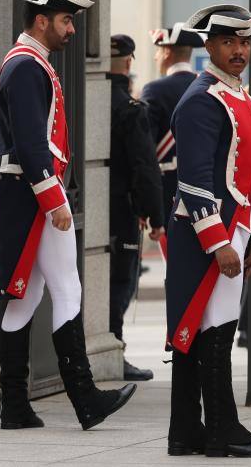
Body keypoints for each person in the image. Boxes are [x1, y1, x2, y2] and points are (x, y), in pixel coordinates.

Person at [0, 0, 136, 431]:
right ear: (41, 20)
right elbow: (33, 145)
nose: (71, 30)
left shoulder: (29, 63)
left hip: (23, 197)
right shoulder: (28, 67)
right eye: (66, 20)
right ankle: (86, 398)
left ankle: (14, 405)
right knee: (65, 289)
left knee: (25, 297)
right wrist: (54, 200)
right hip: (35, 198)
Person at [164, 3, 251, 458]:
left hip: (236, 229)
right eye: (229, 42)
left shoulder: (238, 96)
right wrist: (218, 244)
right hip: (209, 233)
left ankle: (189, 431)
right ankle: (221, 431)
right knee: (210, 327)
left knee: (211, 327)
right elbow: (193, 180)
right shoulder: (202, 99)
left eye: (245, 42)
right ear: (209, 45)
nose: (239, 51)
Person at [107, 33, 165, 381]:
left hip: (91, 205)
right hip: (123, 210)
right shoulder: (130, 109)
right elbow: (145, 167)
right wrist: (156, 216)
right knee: (121, 281)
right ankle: (114, 349)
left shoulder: (88, 100)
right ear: (128, 64)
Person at [140, 23, 205, 242]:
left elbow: (145, 150)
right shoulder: (206, 87)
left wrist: (146, 205)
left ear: (167, 52)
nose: (156, 57)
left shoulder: (154, 90)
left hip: (169, 191)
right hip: (206, 190)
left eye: (158, 51)